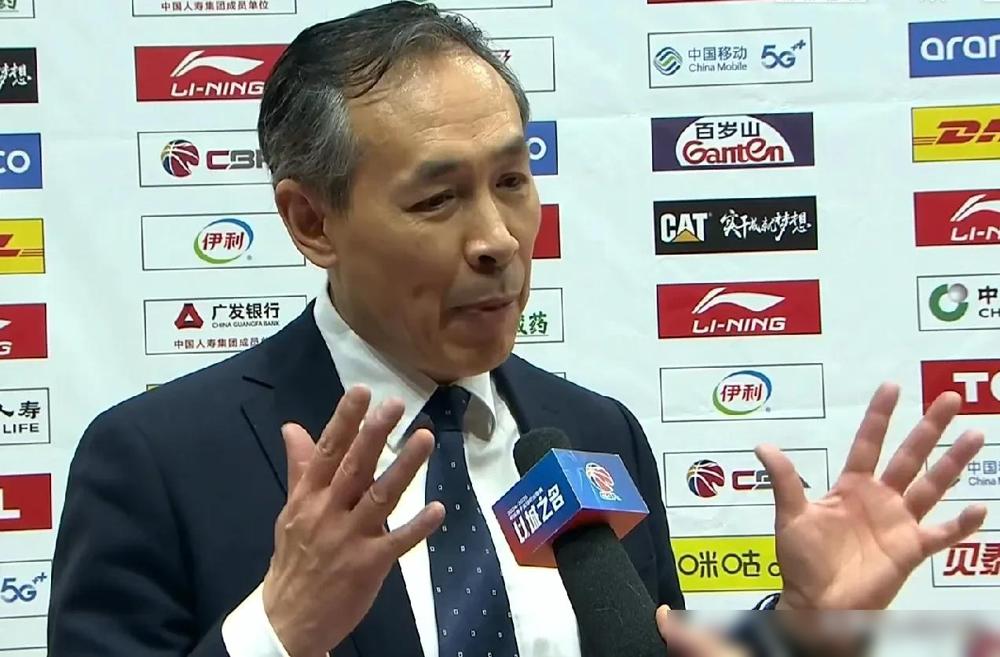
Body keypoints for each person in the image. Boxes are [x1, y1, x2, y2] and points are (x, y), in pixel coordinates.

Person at [47, 3, 988, 657]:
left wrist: (803, 627)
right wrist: (279, 628)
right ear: (311, 221)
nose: (497, 238)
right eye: (437, 198)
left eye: (511, 180)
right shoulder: (159, 461)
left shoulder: (595, 434)